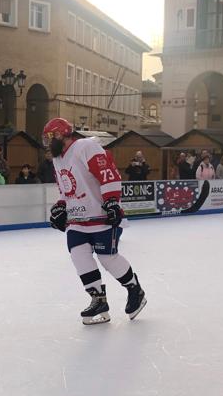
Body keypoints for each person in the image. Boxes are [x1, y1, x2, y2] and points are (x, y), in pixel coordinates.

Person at [44, 117, 146, 325]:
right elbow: (65, 188)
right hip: (77, 219)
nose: (47, 143)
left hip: (100, 216)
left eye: (49, 137)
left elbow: (108, 175)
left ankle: (135, 290)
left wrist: (111, 202)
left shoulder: (85, 147)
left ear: (60, 134)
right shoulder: (57, 159)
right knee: (78, 254)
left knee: (107, 258)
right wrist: (61, 206)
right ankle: (98, 300)